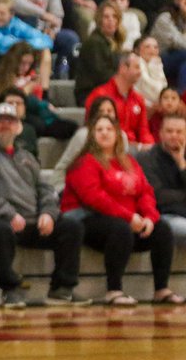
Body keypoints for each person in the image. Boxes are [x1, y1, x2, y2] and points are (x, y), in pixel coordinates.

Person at [0, 103, 88, 308]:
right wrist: (9, 214)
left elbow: (45, 189)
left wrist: (48, 213)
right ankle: (8, 288)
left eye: (10, 121)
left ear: (19, 127)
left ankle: (62, 289)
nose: (5, 125)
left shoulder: (27, 156)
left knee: (71, 226)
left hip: (30, 220)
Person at [62, 114, 181, 306]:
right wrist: (129, 216)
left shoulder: (128, 161)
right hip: (89, 220)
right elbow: (94, 198)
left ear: (117, 134)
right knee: (120, 228)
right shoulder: (84, 162)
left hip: (127, 221)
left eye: (109, 129)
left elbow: (145, 192)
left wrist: (149, 217)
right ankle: (114, 290)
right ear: (91, 135)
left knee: (162, 229)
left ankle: (161, 289)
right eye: (99, 129)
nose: (104, 133)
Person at [85, 52, 155, 150]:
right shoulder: (100, 95)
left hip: (135, 149)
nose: (140, 72)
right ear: (123, 68)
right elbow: (92, 127)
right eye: (137, 67)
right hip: (108, 148)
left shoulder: (138, 99)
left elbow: (144, 130)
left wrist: (151, 148)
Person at [137, 113, 186, 248]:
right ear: (161, 133)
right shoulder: (146, 158)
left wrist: (181, 163)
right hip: (165, 216)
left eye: (179, 132)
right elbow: (158, 196)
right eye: (169, 131)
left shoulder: (184, 158)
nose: (174, 135)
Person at [52, 97, 123, 189]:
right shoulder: (83, 135)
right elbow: (62, 167)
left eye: (109, 111)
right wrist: (60, 190)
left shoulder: (122, 136)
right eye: (101, 111)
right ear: (93, 115)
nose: (106, 115)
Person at [74, 2, 125, 105]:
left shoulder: (113, 42)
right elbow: (101, 75)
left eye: (114, 16)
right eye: (106, 17)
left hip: (106, 91)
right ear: (99, 20)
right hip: (91, 94)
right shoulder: (94, 42)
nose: (111, 20)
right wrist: (124, 78)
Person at [150, 0, 186, 88]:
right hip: (160, 59)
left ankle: (182, 98)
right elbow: (180, 43)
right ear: (176, 0)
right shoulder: (165, 18)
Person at [135, 36, 168, 108]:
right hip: (140, 105)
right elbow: (157, 92)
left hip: (156, 106)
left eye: (156, 47)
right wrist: (154, 66)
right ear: (139, 50)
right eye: (147, 47)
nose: (152, 50)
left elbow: (164, 88)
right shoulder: (137, 64)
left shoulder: (156, 64)